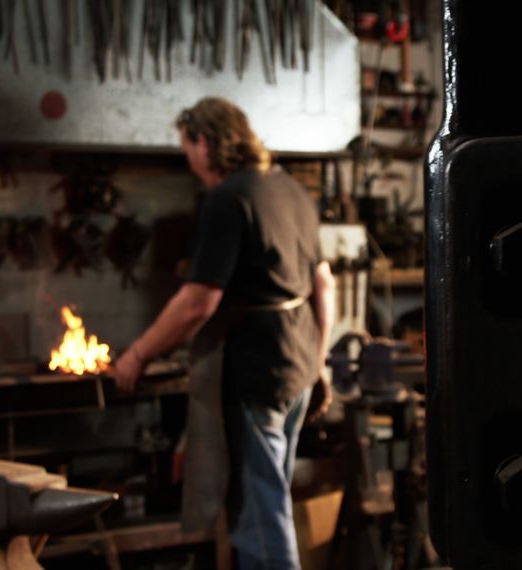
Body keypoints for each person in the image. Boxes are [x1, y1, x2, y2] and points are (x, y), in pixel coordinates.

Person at [113, 97, 336, 570]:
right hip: (297, 367)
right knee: (264, 500)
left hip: (257, 371)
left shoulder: (226, 197)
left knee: (260, 512)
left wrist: (138, 354)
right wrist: (319, 362)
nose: (188, 161)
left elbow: (198, 302)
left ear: (204, 141)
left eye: (187, 147)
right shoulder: (289, 190)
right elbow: (324, 285)